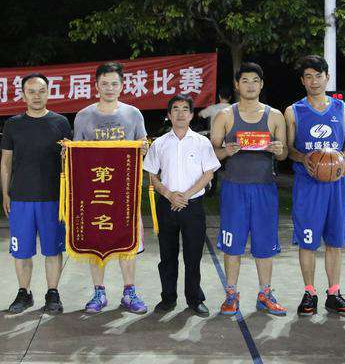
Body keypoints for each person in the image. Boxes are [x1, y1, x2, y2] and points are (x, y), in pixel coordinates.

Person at [210, 62, 288, 316]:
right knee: (232, 246)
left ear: (261, 84)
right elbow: (211, 153)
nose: (250, 85)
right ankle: (231, 294)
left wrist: (279, 150)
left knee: (264, 245)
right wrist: (226, 151)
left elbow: (284, 153)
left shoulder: (274, 116)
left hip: (264, 188)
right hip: (234, 189)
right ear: (237, 85)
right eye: (245, 80)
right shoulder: (225, 116)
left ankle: (265, 294)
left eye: (255, 80)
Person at [72, 62, 149, 314]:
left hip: (124, 192)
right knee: (97, 240)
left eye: (114, 83)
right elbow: (77, 154)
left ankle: (129, 292)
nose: (109, 88)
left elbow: (142, 145)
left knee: (128, 243)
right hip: (94, 191)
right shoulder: (84, 116)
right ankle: (99, 292)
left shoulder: (133, 114)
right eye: (104, 84)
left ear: (122, 86)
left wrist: (143, 147)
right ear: (96, 86)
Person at [284, 55, 345, 317]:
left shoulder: (340, 107)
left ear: (327, 78)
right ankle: (309, 293)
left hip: (336, 184)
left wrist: (342, 159)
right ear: (302, 81)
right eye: (309, 77)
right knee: (308, 242)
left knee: (335, 241)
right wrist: (304, 158)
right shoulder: (293, 111)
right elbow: (288, 149)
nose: (314, 81)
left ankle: (333, 293)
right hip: (308, 185)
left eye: (318, 76)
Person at [1, 73, 72, 315]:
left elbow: (71, 160)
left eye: (41, 91)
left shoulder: (61, 123)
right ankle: (24, 292)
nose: (36, 96)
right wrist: (5, 194)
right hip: (21, 198)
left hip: (53, 198)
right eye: (31, 91)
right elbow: (6, 162)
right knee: (21, 251)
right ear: (23, 95)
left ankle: (53, 293)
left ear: (48, 93)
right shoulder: (13, 124)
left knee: (53, 249)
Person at [144, 94, 220, 317]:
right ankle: (168, 298)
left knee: (193, 256)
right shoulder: (159, 143)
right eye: (175, 109)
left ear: (191, 115)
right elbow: (152, 176)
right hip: (167, 206)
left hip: (193, 206)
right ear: (169, 115)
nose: (180, 113)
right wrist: (169, 194)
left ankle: (194, 299)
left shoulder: (202, 142)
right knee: (167, 256)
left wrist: (185, 195)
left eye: (185, 109)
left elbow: (208, 174)